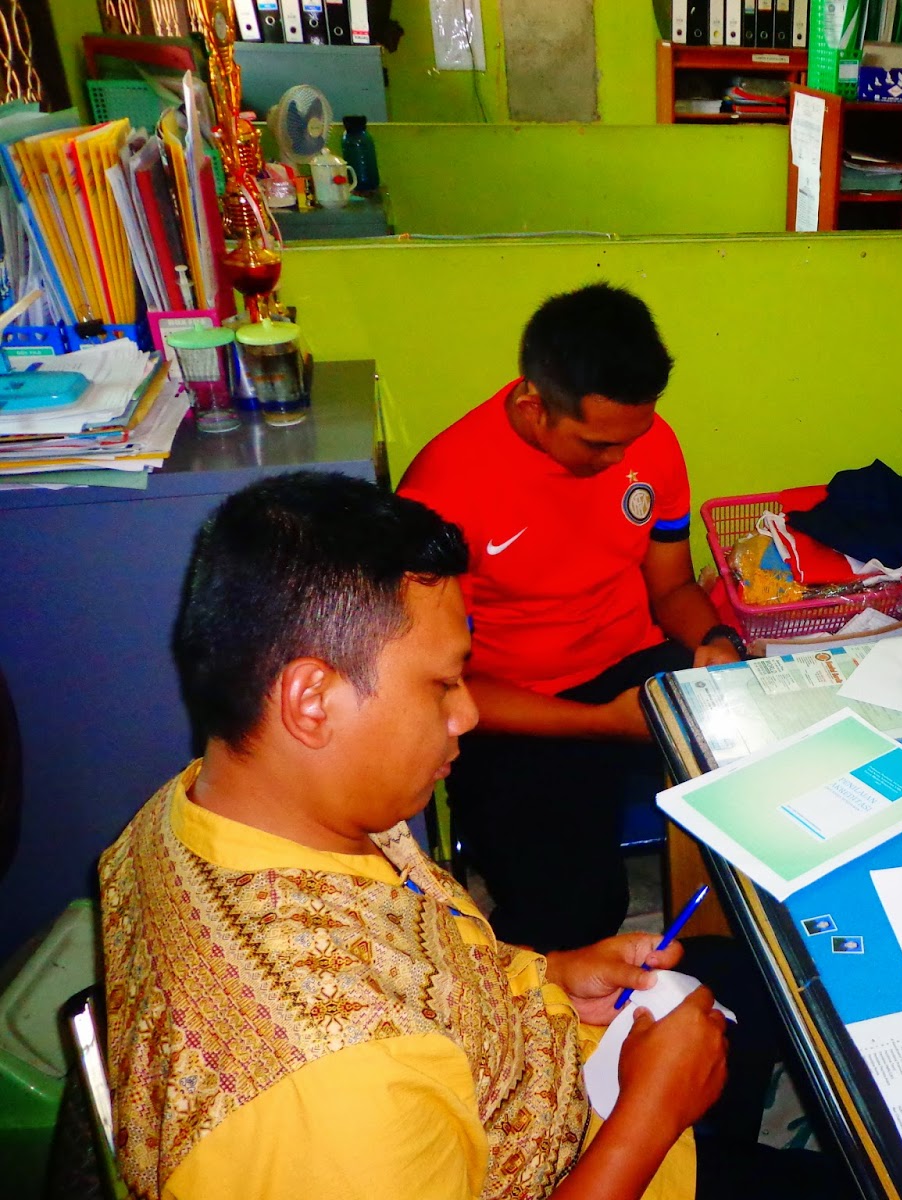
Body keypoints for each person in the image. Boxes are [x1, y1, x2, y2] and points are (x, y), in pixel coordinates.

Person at [100, 472, 811, 1199]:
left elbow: (419, 958)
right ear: (313, 701)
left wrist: (549, 977)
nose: (468, 714)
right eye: (442, 685)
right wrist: (653, 1113)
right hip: (598, 1156)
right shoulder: (330, 1084)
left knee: (753, 974)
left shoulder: (227, 805)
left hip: (538, 1072)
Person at [398, 284, 742, 951]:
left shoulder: (648, 443)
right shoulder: (442, 490)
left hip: (628, 663)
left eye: (632, 439)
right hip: (512, 707)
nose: (619, 460)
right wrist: (603, 722)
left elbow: (671, 587)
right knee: (577, 917)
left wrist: (716, 639)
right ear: (534, 404)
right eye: (596, 444)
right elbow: (440, 686)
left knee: (766, 780)